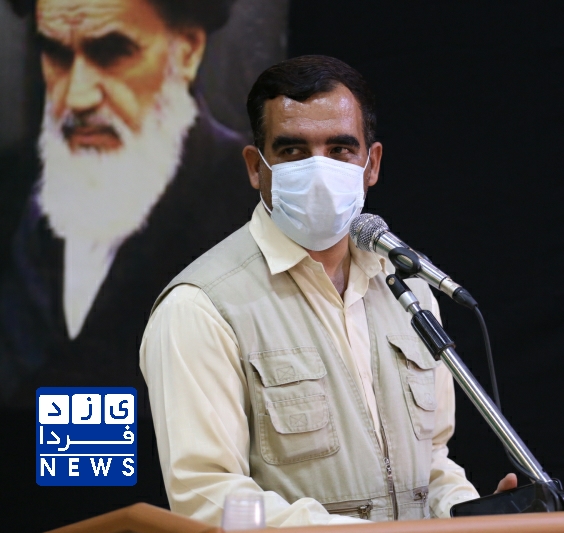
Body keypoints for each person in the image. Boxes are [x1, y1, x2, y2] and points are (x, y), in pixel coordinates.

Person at [140, 55, 517, 526]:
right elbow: (209, 497)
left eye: (339, 149)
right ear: (256, 167)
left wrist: (472, 516)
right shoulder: (201, 307)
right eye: (293, 150)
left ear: (371, 164)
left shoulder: (411, 292)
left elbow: (432, 462)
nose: (318, 170)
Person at [0, 0, 256, 405]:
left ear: (187, 50)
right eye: (57, 54)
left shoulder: (250, 203)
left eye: (112, 53)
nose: (77, 95)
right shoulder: (13, 189)